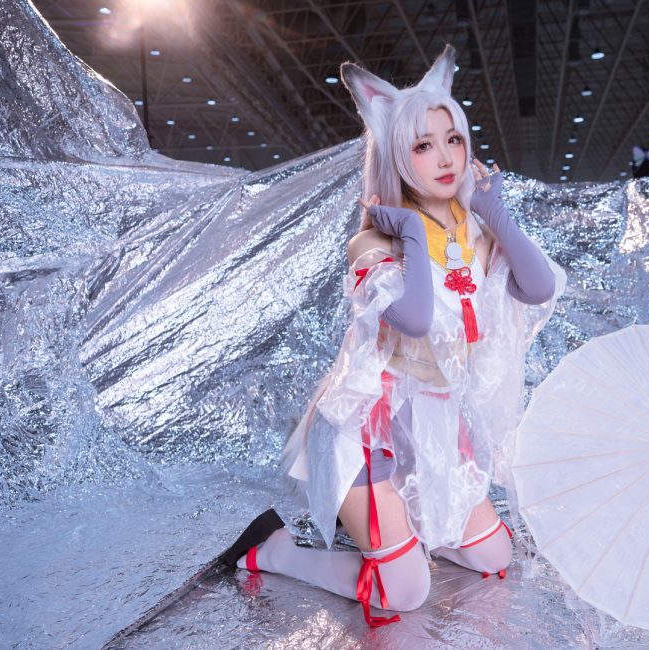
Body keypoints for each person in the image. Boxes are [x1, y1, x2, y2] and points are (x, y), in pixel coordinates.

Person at [218, 43, 566, 628]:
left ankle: (404, 529)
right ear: (397, 155)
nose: (445, 158)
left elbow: (538, 288)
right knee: (403, 593)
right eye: (423, 146)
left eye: (453, 139)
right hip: (367, 432)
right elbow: (416, 319)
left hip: (434, 430)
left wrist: (497, 214)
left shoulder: (473, 232)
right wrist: (409, 233)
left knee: (495, 556)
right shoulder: (374, 242)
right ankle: (274, 551)